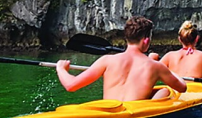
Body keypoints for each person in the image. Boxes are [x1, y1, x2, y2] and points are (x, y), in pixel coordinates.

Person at [56, 16, 187, 101]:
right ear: (146, 40)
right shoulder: (156, 66)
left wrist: (61, 69)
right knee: (165, 91)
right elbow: (182, 87)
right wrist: (171, 71)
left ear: (126, 37)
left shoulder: (107, 60)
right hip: (133, 116)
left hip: (108, 112)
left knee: (161, 91)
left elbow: (71, 85)